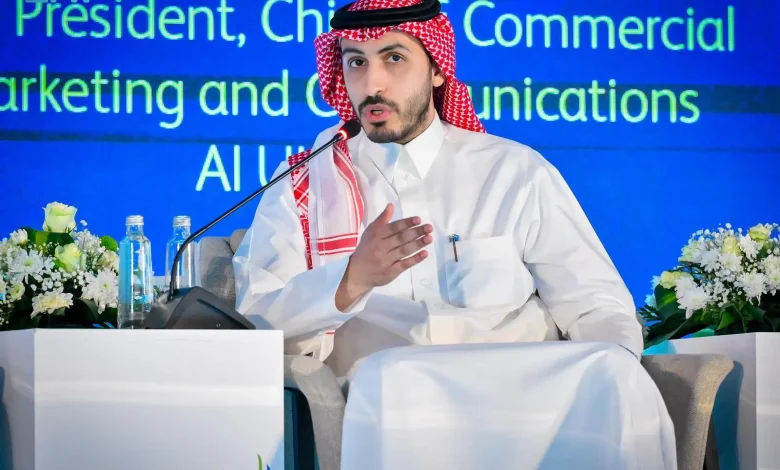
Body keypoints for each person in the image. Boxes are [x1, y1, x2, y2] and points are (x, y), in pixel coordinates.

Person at [234, 0, 675, 468]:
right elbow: (257, 323)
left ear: (437, 69)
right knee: (391, 376)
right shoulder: (304, 184)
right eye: (356, 62)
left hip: (528, 397)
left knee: (614, 370)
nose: (372, 84)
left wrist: (615, 363)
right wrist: (349, 281)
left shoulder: (513, 170)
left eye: (394, 58)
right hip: (396, 401)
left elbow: (594, 303)